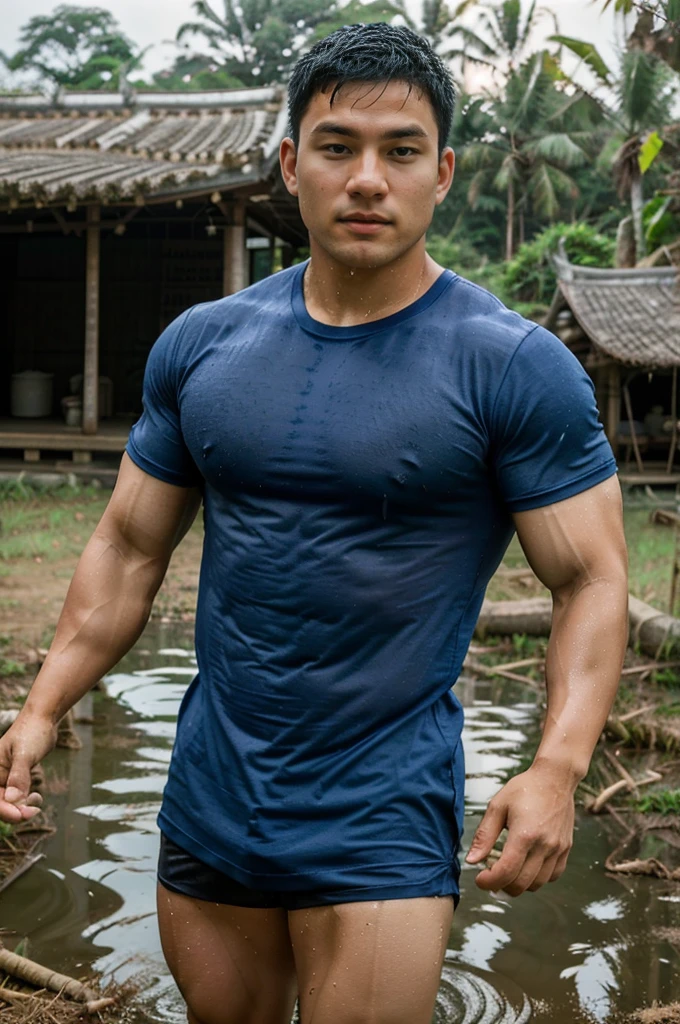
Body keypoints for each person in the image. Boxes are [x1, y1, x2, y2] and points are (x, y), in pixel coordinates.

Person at [0, 22, 628, 1024]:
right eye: (337, 147)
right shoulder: (203, 346)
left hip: (378, 798)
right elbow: (127, 548)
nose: (366, 178)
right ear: (291, 165)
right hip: (211, 783)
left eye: (400, 150)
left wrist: (553, 765)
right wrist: (43, 706)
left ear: (443, 173)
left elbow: (590, 578)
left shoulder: (507, 365)